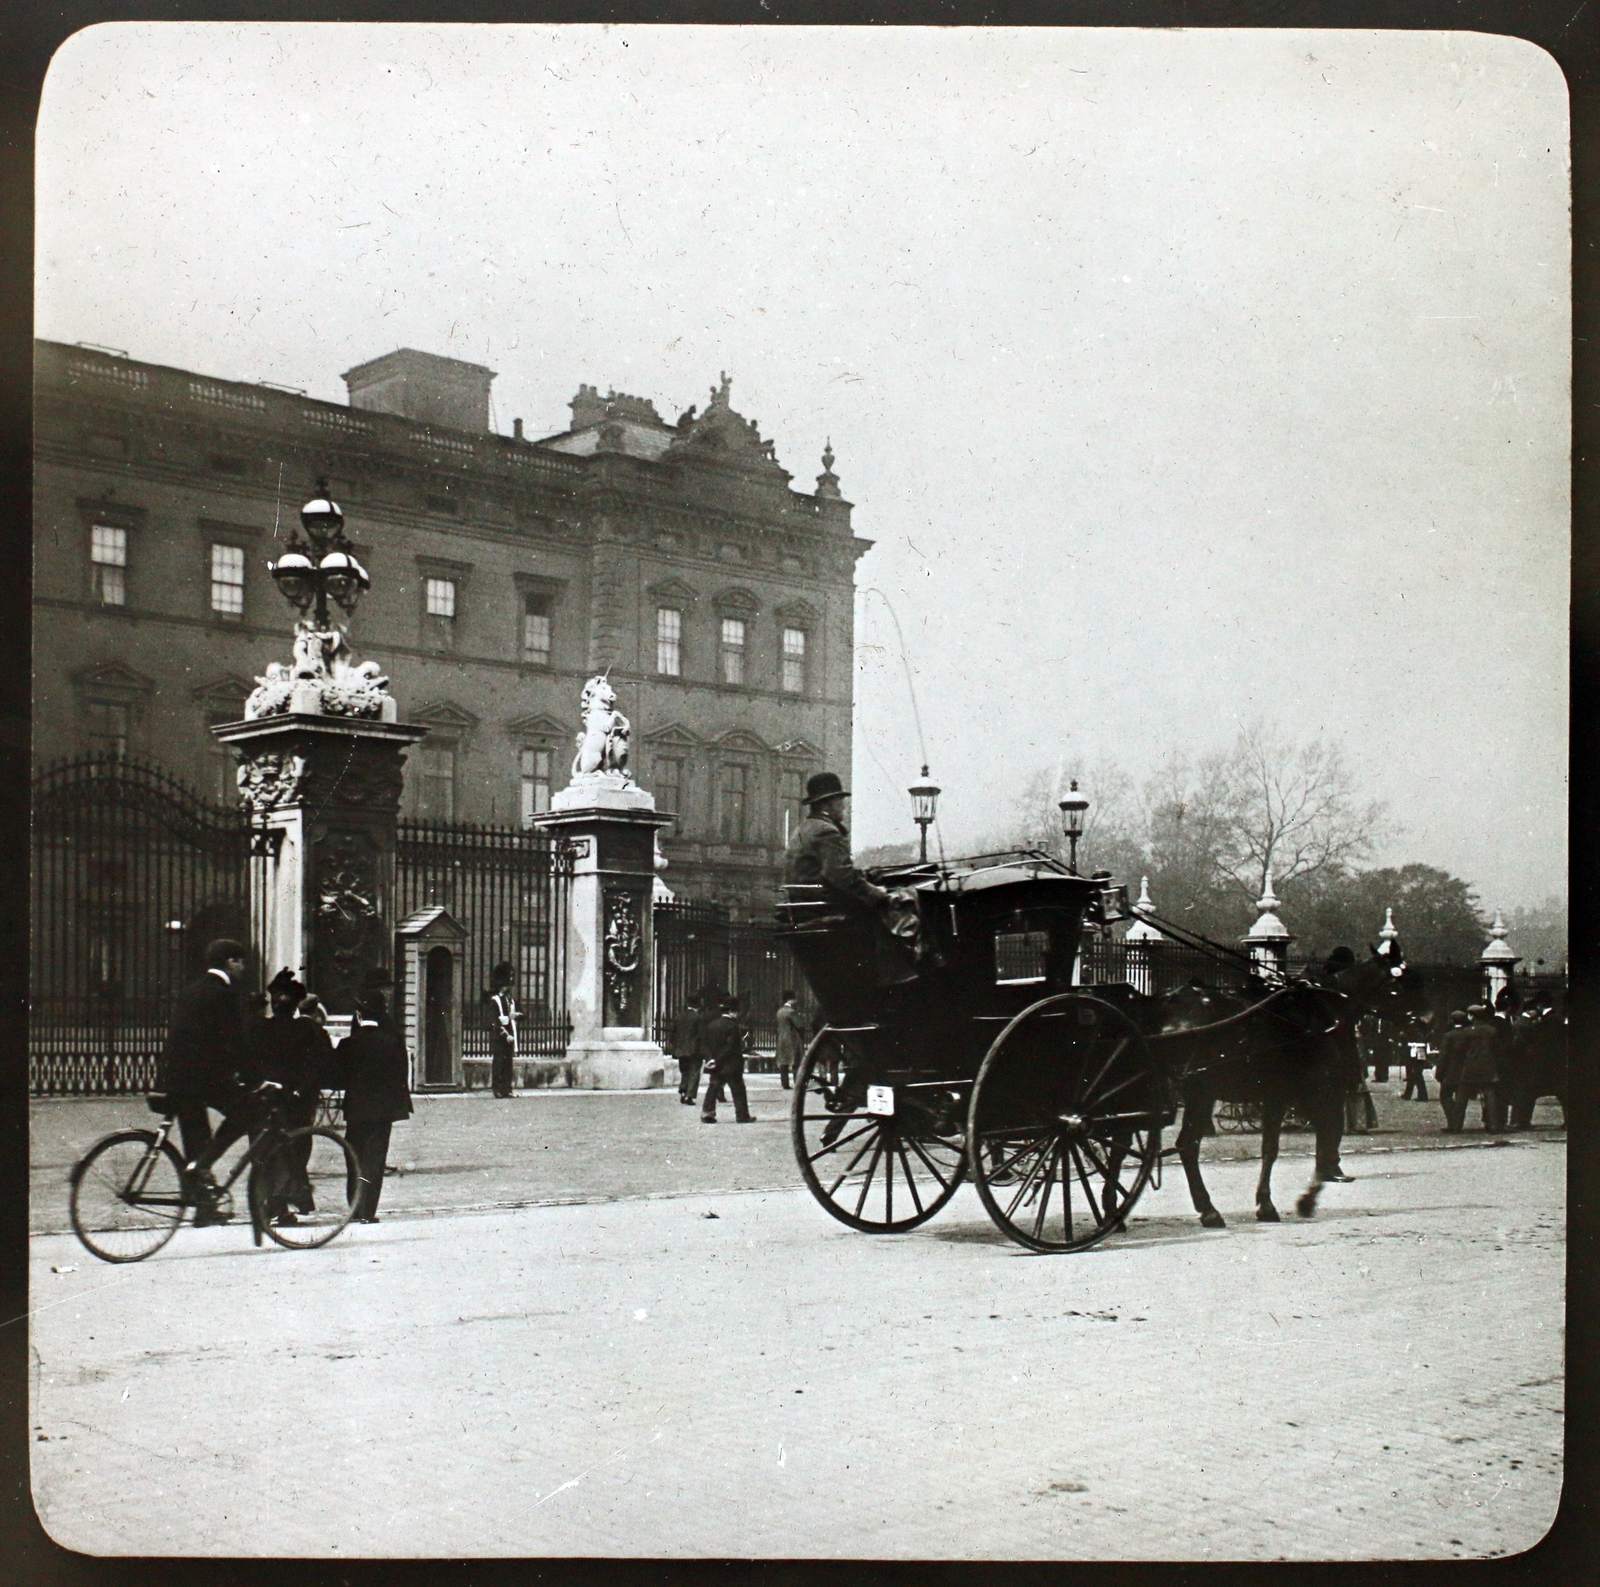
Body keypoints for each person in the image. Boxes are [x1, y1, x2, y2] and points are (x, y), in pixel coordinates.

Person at [785, 772, 922, 985]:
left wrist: (865, 876)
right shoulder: (826, 832)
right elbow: (843, 878)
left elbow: (828, 871)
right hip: (825, 906)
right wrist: (880, 895)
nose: (844, 807)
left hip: (805, 905)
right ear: (828, 804)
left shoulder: (804, 829)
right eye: (840, 801)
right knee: (900, 903)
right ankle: (904, 976)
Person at [155, 938, 249, 1226]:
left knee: (196, 1140)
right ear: (230, 962)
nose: (244, 967)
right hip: (202, 1079)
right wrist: (255, 1078)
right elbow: (236, 1043)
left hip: (177, 1080)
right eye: (241, 961)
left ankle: (204, 1208)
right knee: (247, 1113)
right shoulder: (224, 994)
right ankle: (203, 1166)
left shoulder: (191, 990)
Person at [247, 969, 334, 1226]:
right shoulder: (309, 1030)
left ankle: (267, 1204)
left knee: (264, 1151)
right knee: (294, 1150)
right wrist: (303, 1089)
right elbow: (323, 1066)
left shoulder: (259, 1029)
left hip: (264, 1100)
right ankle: (282, 1203)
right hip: (297, 1102)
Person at [339, 989, 414, 1223]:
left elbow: (337, 1076)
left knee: (354, 1156)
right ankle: (367, 1211)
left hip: (355, 1108)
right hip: (382, 1110)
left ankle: (354, 1206)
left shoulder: (348, 1044)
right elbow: (402, 1075)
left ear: (360, 1017)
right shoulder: (393, 1043)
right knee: (375, 1158)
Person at [700, 993, 754, 1124]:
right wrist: (718, 1060)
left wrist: (710, 1059)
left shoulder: (711, 1025)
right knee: (738, 1090)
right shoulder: (733, 1026)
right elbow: (730, 1047)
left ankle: (708, 1112)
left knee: (713, 1089)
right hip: (731, 1064)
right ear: (732, 1011)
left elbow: (704, 1044)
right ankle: (742, 1115)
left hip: (715, 1064)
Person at [1459, 1004, 1506, 1131]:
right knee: (1490, 1097)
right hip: (1488, 1067)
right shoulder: (1492, 1030)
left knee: (1462, 1097)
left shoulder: (1466, 1031)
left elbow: (1461, 1050)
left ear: (1471, 1016)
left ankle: (1456, 1125)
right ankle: (1493, 1125)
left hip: (1470, 1068)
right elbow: (1499, 1049)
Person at [1435, 1009, 1471, 1132]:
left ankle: (1453, 1122)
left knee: (1445, 1096)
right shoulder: (1468, 1035)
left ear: (1451, 1021)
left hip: (1450, 1072)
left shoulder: (1448, 1036)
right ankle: (1457, 1124)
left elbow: (1443, 1056)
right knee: (1461, 1099)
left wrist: (1439, 1073)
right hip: (1466, 1071)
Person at [487, 962, 520, 1099]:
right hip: (499, 1037)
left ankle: (506, 1088)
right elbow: (494, 1021)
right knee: (499, 1063)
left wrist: (517, 1015)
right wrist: (505, 1034)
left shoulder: (509, 1000)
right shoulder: (494, 1000)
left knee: (507, 1064)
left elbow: (520, 1014)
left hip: (509, 1036)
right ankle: (498, 1089)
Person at [671, 991, 707, 1105]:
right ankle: (689, 1095)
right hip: (695, 1050)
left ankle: (683, 1089)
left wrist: (676, 1047)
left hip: (681, 1050)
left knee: (684, 1072)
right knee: (694, 1072)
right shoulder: (699, 1018)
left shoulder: (679, 1016)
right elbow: (701, 1035)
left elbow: (673, 1034)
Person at [775, 989, 808, 1091]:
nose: (796, 1001)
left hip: (781, 1039)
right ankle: (797, 1082)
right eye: (794, 999)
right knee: (795, 1062)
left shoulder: (779, 1011)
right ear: (790, 999)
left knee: (784, 1063)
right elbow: (800, 1025)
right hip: (792, 1039)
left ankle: (785, 1083)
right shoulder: (791, 1012)